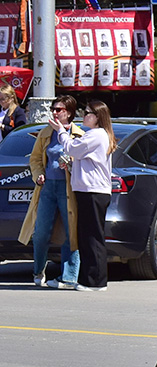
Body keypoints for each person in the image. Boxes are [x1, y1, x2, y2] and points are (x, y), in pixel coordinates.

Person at [18, 96, 83, 287]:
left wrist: (71, 164)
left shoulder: (78, 134)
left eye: (59, 109)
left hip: (68, 188)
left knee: (71, 231)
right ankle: (38, 271)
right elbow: (36, 159)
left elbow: (83, 159)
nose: (54, 112)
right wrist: (38, 175)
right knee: (40, 232)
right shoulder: (46, 133)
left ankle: (70, 276)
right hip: (47, 188)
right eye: (53, 109)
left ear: (69, 113)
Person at [52, 99, 116, 291]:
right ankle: (88, 278)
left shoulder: (96, 135)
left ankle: (96, 281)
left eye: (87, 112)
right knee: (86, 236)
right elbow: (82, 159)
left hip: (93, 191)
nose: (83, 115)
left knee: (93, 237)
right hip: (88, 190)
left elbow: (71, 148)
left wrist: (61, 131)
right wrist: (71, 166)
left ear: (97, 117)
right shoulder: (96, 135)